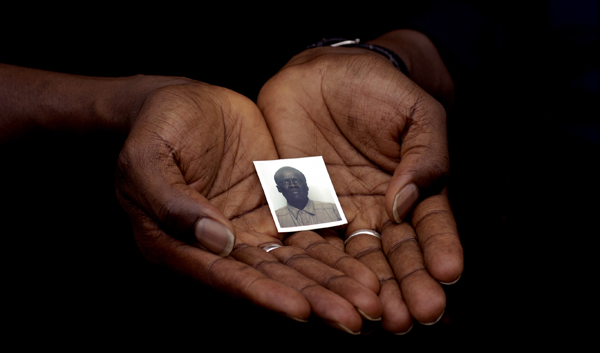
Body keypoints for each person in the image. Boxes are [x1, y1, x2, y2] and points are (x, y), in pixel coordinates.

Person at [274, 166, 342, 227]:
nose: (293, 185)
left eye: (298, 181)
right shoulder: (275, 218)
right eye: (284, 182)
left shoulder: (334, 209)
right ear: (279, 189)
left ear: (306, 186)